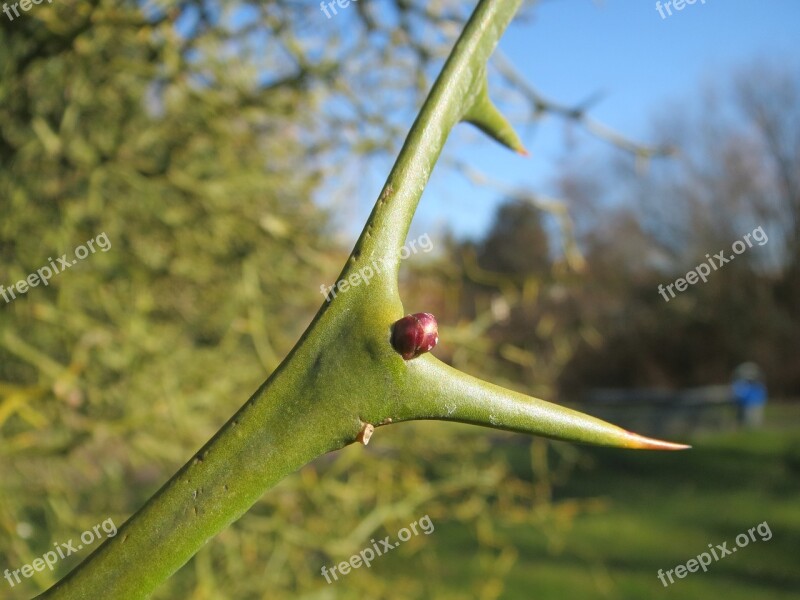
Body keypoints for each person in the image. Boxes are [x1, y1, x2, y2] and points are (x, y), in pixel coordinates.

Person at [731, 362, 767, 429]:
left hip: (755, 404)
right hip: (746, 405)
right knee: (747, 422)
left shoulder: (757, 385)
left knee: (754, 423)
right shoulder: (742, 384)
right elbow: (739, 394)